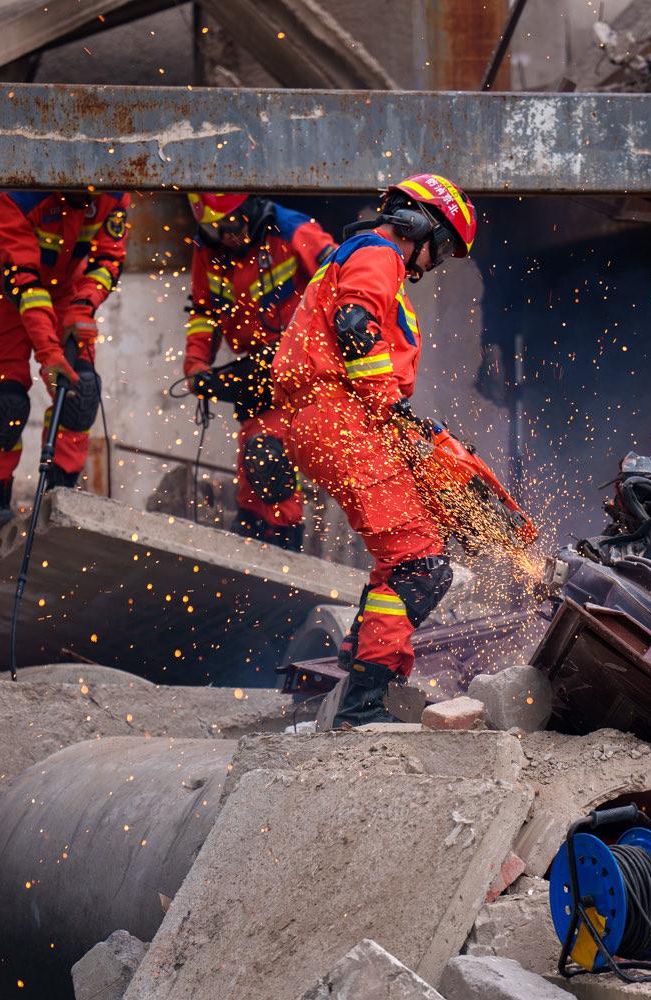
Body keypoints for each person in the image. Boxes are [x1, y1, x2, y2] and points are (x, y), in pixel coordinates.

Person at [272, 173, 476, 728]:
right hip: (338, 417)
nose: (437, 263)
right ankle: (363, 704)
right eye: (445, 247)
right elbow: (355, 325)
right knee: (423, 567)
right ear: (421, 224)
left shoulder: (362, 256)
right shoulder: (378, 251)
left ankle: (357, 672)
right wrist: (388, 408)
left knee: (406, 559)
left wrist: (396, 422)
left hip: (336, 417)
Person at [0, 189, 129, 537]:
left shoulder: (114, 189)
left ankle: (58, 494)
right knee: (7, 404)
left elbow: (108, 258)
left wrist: (84, 305)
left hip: (67, 293)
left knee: (80, 391)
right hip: (1, 292)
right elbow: (23, 280)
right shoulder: (15, 194)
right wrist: (49, 353)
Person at [182, 193, 337, 548]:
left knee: (268, 455)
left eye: (230, 225)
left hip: (301, 364)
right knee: (256, 457)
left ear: (248, 211)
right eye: (213, 228)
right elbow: (204, 310)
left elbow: (339, 284)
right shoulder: (209, 249)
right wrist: (196, 364)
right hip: (257, 368)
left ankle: (283, 541)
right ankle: (253, 532)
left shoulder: (291, 230)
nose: (224, 235)